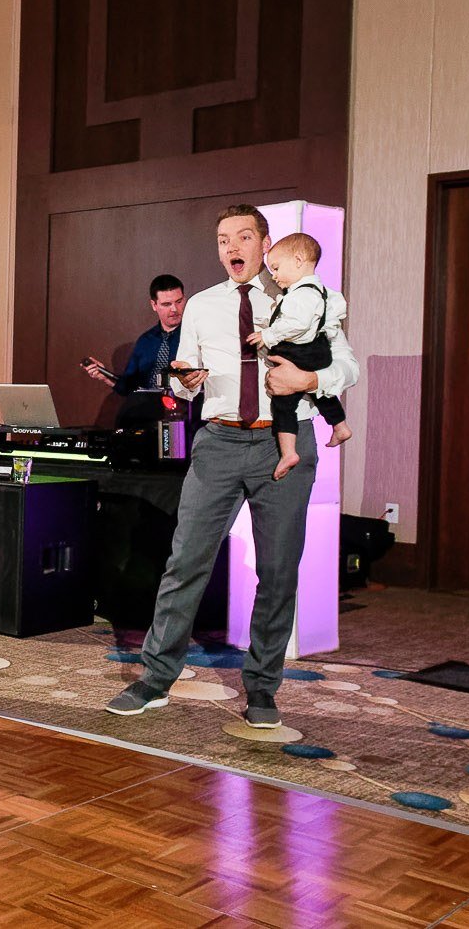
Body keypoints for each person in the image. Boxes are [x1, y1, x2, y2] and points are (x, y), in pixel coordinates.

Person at [106, 205, 359, 729]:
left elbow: (347, 366)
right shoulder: (200, 305)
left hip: (282, 444)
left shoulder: (305, 296)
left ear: (265, 244)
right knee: (185, 562)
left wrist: (307, 382)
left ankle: (263, 689)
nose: (232, 248)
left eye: (244, 237)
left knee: (278, 571)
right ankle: (155, 678)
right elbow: (181, 377)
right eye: (223, 240)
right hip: (218, 441)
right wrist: (183, 382)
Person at [250, 233, 352, 478]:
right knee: (322, 394)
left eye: (276, 268)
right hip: (318, 351)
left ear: (297, 260)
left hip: (300, 352)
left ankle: (288, 452)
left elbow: (295, 323)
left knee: (283, 404)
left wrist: (268, 336)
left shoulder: (301, 294)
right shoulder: (324, 292)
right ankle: (340, 425)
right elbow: (334, 316)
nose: (274, 275)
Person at [82, 274, 187, 426]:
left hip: (182, 415)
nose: (174, 309)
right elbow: (128, 386)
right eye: (166, 304)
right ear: (154, 305)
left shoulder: (195, 338)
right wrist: (104, 375)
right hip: (147, 416)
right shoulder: (145, 341)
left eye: (179, 301)